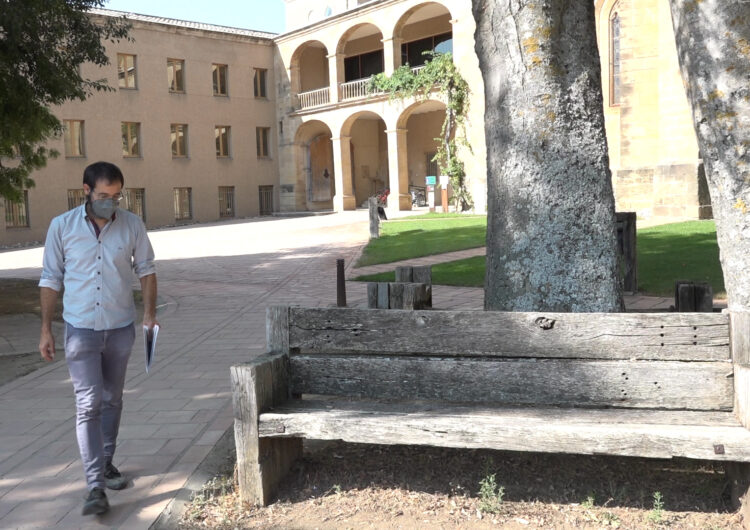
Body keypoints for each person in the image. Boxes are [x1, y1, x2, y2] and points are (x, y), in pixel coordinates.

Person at [38, 161, 158, 516]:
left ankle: (106, 463)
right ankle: (94, 486)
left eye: (117, 195)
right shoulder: (62, 227)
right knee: (88, 403)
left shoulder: (132, 225)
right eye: (104, 195)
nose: (111, 202)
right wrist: (46, 328)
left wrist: (150, 314)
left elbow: (147, 270)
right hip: (80, 329)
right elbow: (50, 278)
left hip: (120, 327)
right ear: (86, 190)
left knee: (112, 399)